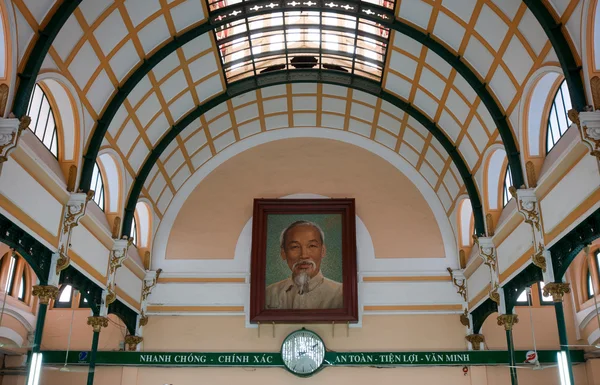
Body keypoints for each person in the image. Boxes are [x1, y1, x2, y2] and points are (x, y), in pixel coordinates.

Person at [265, 220, 343, 309]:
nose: (304, 255)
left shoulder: (341, 294)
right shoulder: (270, 293)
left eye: (312, 246)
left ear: (323, 251)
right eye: (295, 247)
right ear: (283, 253)